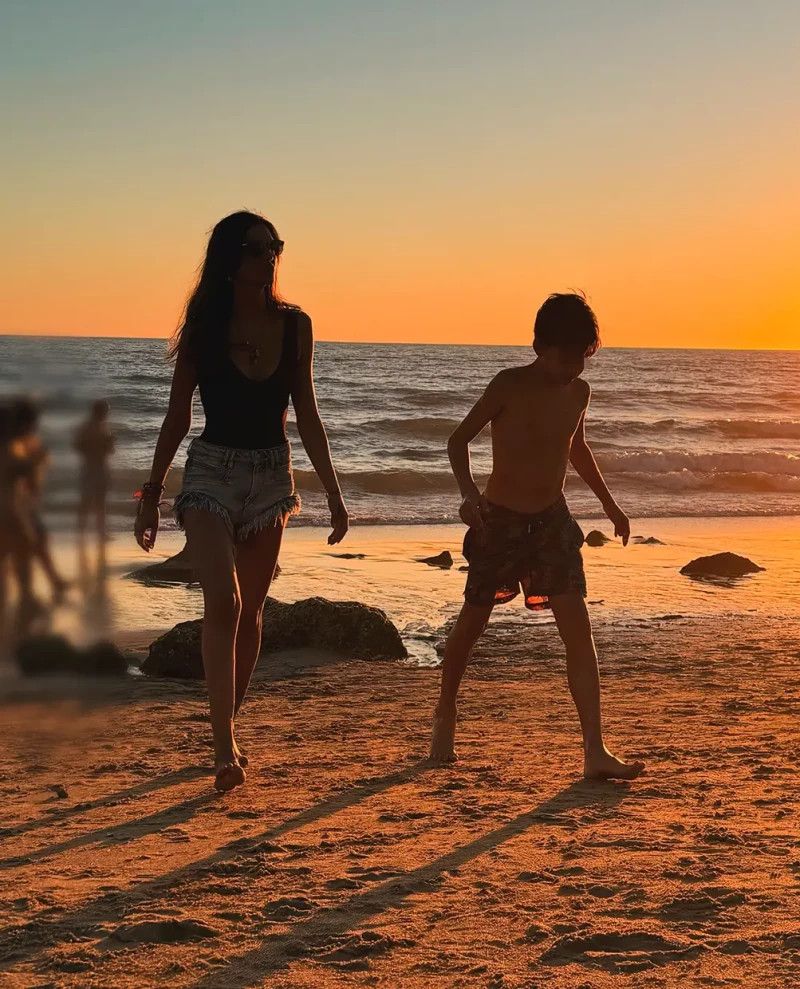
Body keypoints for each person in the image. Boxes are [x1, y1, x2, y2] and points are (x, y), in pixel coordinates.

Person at [135, 210, 348, 792]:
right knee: (224, 604)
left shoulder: (297, 325)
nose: (269, 255)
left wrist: (333, 493)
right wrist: (151, 496)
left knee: (252, 614)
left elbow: (306, 412)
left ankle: (226, 723)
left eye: (275, 245)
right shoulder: (205, 328)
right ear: (232, 258)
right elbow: (178, 417)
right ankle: (224, 745)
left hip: (271, 478)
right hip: (210, 474)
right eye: (257, 247)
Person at [430, 293, 645, 781]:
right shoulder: (509, 384)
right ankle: (446, 711)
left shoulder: (579, 393)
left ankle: (595, 748)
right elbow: (457, 440)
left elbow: (577, 448)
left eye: (583, 357)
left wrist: (610, 504)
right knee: (472, 624)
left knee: (578, 629)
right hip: (499, 521)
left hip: (552, 521)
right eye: (566, 356)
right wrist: (468, 495)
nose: (574, 367)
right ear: (539, 345)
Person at [8, 398, 68, 610]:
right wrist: (35, 462)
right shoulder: (12, 448)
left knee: (25, 551)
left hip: (17, 508)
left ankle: (36, 592)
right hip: (11, 511)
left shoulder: (17, 445)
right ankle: (30, 595)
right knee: (24, 550)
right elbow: (26, 481)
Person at [74, 400, 115, 547]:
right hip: (93, 467)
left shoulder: (98, 427)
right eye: (106, 412)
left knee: (98, 502)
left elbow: (78, 446)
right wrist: (101, 445)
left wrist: (107, 445)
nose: (107, 415)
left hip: (97, 466)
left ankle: (97, 533)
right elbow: (80, 446)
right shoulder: (92, 428)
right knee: (90, 502)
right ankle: (84, 533)